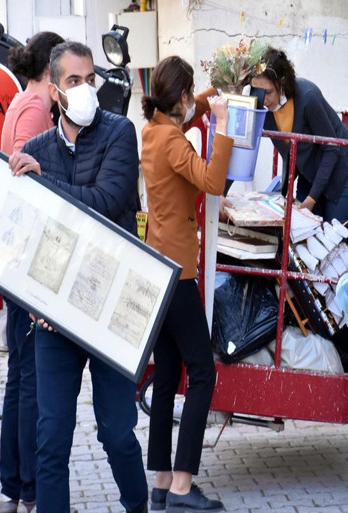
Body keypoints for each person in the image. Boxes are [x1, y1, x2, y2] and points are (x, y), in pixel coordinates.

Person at [7, 41, 147, 513]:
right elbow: (25, 237)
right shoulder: (36, 148)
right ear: (54, 90)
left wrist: (43, 179)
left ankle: (137, 506)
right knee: (51, 439)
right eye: (74, 81)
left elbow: (106, 205)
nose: (86, 89)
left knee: (116, 433)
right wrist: (32, 298)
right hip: (55, 316)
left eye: (91, 80)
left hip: (109, 311)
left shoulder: (120, 133)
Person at [140, 56, 231, 513]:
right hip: (179, 272)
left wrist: (213, 92)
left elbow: (186, 109)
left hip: (160, 264)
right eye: (189, 93)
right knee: (202, 374)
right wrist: (226, 127)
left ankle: (159, 482)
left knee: (168, 374)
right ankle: (181, 487)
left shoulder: (154, 129)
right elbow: (213, 181)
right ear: (176, 97)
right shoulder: (173, 143)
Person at [0, 30, 64, 513]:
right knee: (30, 379)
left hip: (13, 255)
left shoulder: (21, 102)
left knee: (20, 376)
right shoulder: (38, 111)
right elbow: (28, 182)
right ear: (52, 71)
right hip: (26, 258)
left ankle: (17, 487)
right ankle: (30, 488)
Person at [250, 47, 348, 224]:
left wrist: (311, 199)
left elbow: (331, 150)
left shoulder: (308, 97)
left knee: (334, 242)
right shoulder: (262, 107)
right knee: (301, 240)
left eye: (268, 92)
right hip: (310, 175)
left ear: (283, 82)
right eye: (258, 91)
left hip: (341, 173)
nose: (263, 99)